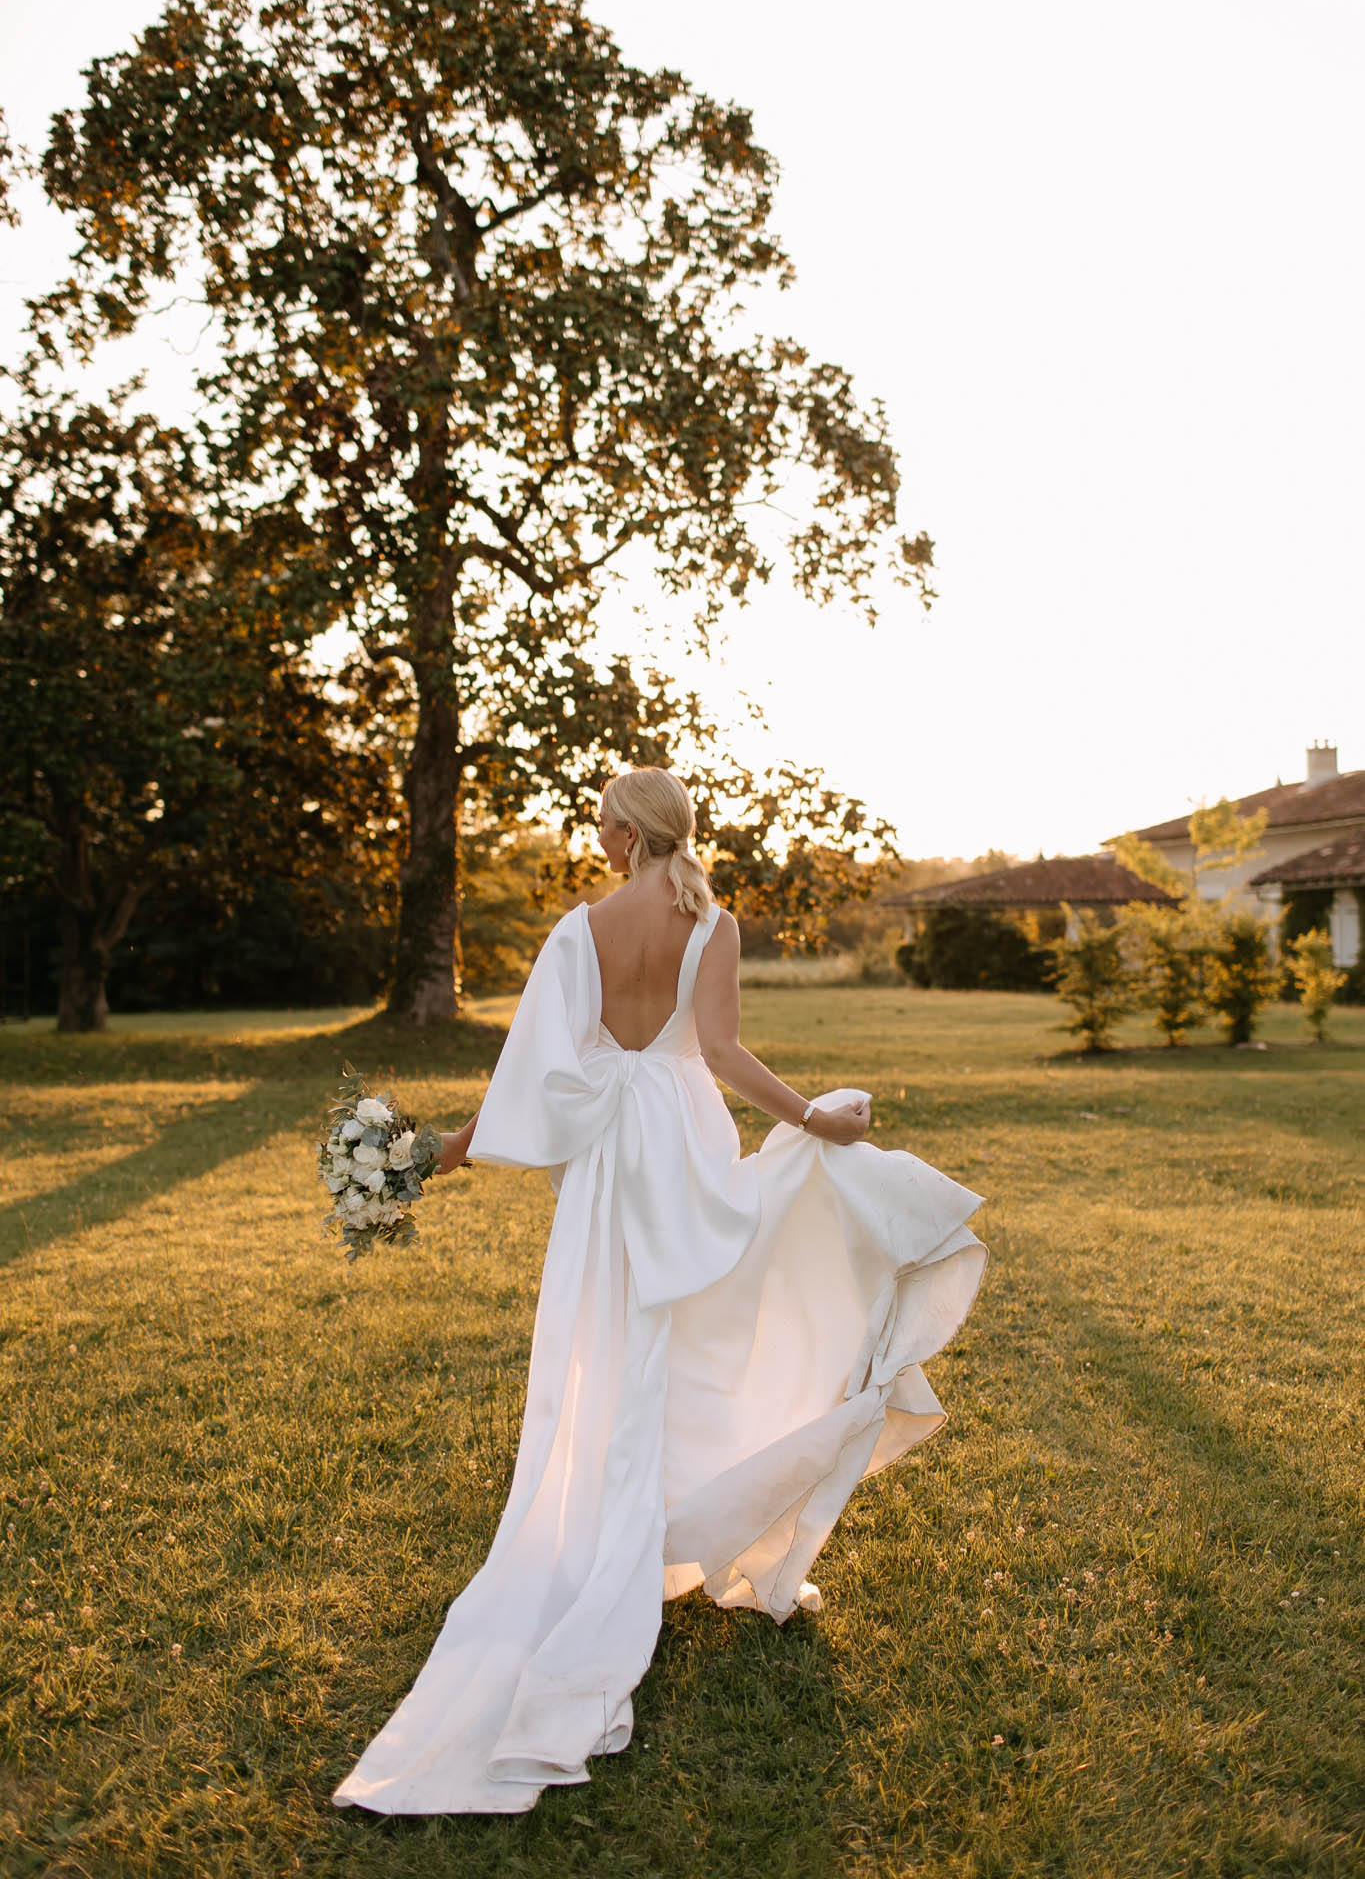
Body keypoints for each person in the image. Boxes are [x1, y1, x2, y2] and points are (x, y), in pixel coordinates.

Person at [333, 767, 987, 1816]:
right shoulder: (710, 924)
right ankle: (668, 1512)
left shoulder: (580, 927)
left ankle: (621, 1527)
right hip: (680, 1151)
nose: (594, 836)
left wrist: (427, 1158)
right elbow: (722, 1051)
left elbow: (525, 1076)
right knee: (695, 1324)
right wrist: (812, 1120)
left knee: (611, 1335)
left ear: (630, 832)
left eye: (600, 821)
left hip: (605, 1168)